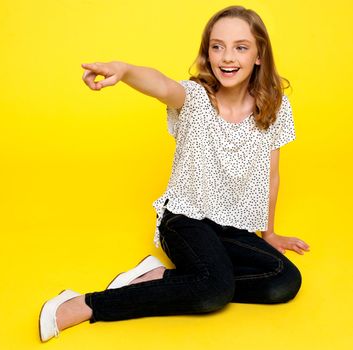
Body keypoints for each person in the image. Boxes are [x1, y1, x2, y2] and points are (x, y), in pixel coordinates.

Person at [38, 5, 310, 342]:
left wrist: (269, 234)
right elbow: (161, 84)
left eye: (240, 47)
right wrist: (124, 70)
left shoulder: (274, 106)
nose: (227, 56)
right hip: (184, 219)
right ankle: (85, 304)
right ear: (207, 53)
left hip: (231, 226)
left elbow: (272, 175)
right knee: (214, 289)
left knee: (284, 280)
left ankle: (159, 277)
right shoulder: (195, 98)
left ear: (258, 55)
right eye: (217, 46)